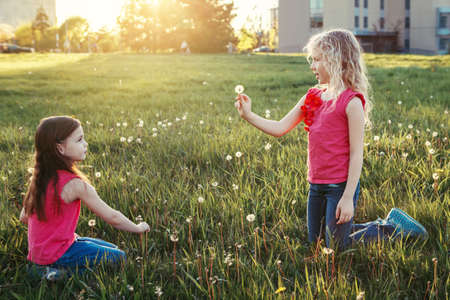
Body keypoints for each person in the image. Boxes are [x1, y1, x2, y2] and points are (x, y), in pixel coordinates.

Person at [234, 29, 427, 250]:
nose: (312, 66)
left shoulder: (351, 102)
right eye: (312, 60)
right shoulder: (311, 96)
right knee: (315, 243)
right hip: (316, 184)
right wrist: (248, 115)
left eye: (317, 60)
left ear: (336, 60)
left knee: (335, 247)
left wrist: (347, 197)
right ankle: (359, 227)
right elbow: (279, 128)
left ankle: (391, 228)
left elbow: (356, 154)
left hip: (339, 185)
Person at [20, 116, 150, 280]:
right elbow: (113, 217)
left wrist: (52, 232)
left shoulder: (39, 178)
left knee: (112, 248)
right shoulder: (75, 185)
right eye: (80, 139)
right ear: (60, 148)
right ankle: (54, 274)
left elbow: (24, 218)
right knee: (120, 258)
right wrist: (138, 228)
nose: (86, 144)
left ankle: (43, 266)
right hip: (59, 253)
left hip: (39, 252)